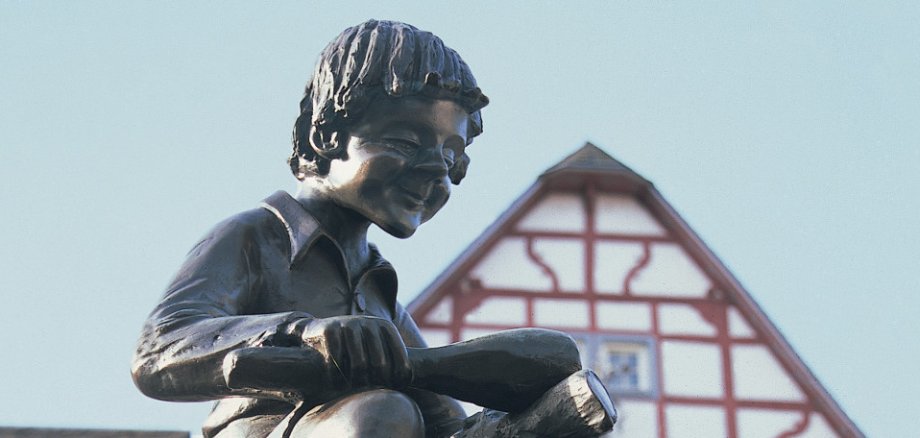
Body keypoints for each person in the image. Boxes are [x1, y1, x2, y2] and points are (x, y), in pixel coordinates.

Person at [133, 20, 613, 438]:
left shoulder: (383, 296)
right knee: (385, 410)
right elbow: (159, 353)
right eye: (405, 141)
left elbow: (446, 425)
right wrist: (304, 332)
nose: (436, 172)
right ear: (325, 137)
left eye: (451, 156)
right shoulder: (256, 238)